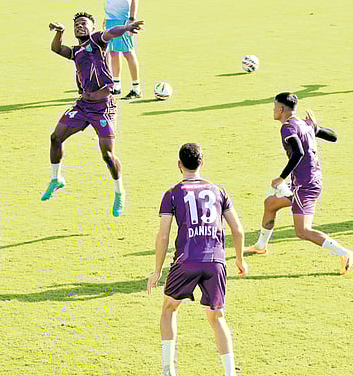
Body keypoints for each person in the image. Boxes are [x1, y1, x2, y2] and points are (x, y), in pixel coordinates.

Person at [147, 143, 247, 376]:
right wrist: (240, 259)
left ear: (179, 165)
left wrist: (157, 270)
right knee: (217, 316)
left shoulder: (172, 194)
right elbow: (238, 229)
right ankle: (229, 372)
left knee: (169, 309)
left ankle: (168, 370)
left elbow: (163, 235)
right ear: (202, 162)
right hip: (216, 260)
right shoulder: (218, 191)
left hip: (186, 259)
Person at [43, 12, 144, 216]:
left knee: (107, 155)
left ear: (92, 27)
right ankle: (56, 178)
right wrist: (60, 32)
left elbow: (110, 33)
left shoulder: (97, 41)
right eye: (76, 25)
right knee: (55, 138)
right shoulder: (76, 51)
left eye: (84, 23)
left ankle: (118, 192)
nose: (80, 26)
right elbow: (56, 48)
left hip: (103, 107)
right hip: (83, 105)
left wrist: (125, 28)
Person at [245, 92, 351, 274]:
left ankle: (344, 252)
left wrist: (281, 178)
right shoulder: (304, 123)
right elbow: (333, 137)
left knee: (302, 230)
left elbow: (298, 152)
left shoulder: (287, 128)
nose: (273, 110)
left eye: (274, 107)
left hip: (305, 186)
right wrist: (316, 128)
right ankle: (261, 246)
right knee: (270, 203)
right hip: (309, 181)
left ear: (280, 108)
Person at [104, 0, 141, 99]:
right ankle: (116, 85)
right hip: (110, 18)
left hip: (123, 18)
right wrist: (105, 18)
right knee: (113, 52)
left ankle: (136, 87)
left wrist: (131, 20)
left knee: (127, 52)